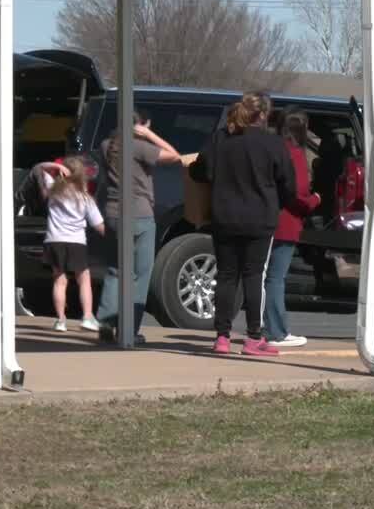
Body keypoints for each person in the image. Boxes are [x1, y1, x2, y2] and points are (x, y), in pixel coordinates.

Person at [188, 93, 295, 356]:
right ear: (263, 115)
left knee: (226, 275)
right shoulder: (272, 143)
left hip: (224, 216)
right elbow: (289, 185)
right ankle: (253, 337)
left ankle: (222, 337)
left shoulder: (221, 139)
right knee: (253, 275)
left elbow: (199, 171)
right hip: (260, 218)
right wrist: (276, 202)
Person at [94, 109, 181, 345]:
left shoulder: (105, 145)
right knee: (140, 274)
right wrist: (149, 134)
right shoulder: (139, 147)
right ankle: (129, 330)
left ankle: (105, 321)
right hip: (138, 215)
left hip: (111, 213)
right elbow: (174, 156)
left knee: (116, 269)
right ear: (140, 126)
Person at [262, 107, 321, 347]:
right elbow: (297, 193)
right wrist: (315, 200)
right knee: (276, 278)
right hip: (285, 222)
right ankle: (277, 332)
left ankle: (263, 328)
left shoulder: (269, 148)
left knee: (261, 277)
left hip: (263, 219)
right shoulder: (294, 154)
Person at [39, 158, 105, 332]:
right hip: (76, 242)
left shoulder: (53, 191)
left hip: (54, 240)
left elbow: (41, 167)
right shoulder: (85, 198)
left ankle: (60, 320)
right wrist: (114, 237)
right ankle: (88, 317)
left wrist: (57, 166)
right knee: (83, 280)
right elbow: (98, 225)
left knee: (59, 281)